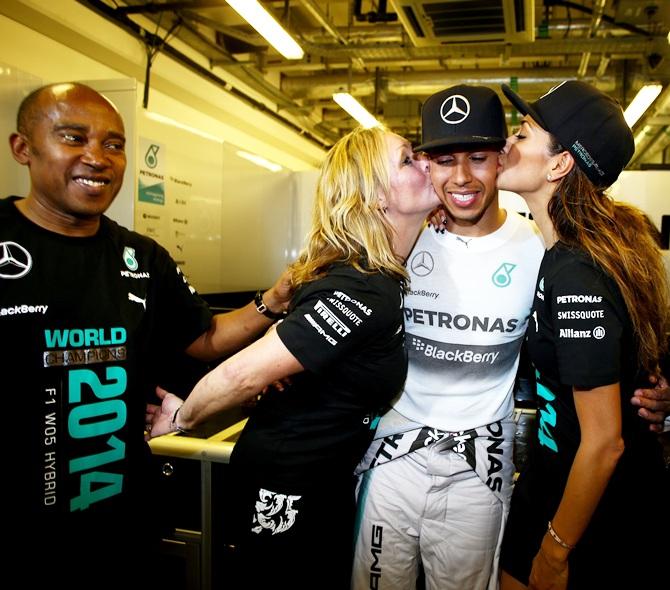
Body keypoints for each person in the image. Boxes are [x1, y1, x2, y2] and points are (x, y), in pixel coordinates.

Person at [351, 84, 670, 590]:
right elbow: (338, 298)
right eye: (443, 159)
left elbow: (607, 418)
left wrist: (655, 391)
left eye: (487, 152)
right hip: (404, 461)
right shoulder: (408, 237)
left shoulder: (555, 258)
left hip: (505, 476)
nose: (467, 172)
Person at [0, 82, 292, 589]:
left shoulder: (141, 256)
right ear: (22, 148)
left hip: (118, 522)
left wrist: (275, 300)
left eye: (113, 144)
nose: (97, 158)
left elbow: (203, 337)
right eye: (74, 138)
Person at [146, 125, 441, 589]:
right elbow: (243, 375)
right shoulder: (361, 285)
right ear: (374, 196)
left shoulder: (376, 275)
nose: (426, 162)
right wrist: (181, 417)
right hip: (285, 487)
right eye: (407, 159)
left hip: (323, 482)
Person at [497, 80, 670, 589]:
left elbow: (604, 443)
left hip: (594, 506)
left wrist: (554, 552)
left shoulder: (577, 271)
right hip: (552, 477)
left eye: (525, 133)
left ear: (559, 164)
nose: (509, 141)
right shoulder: (564, 255)